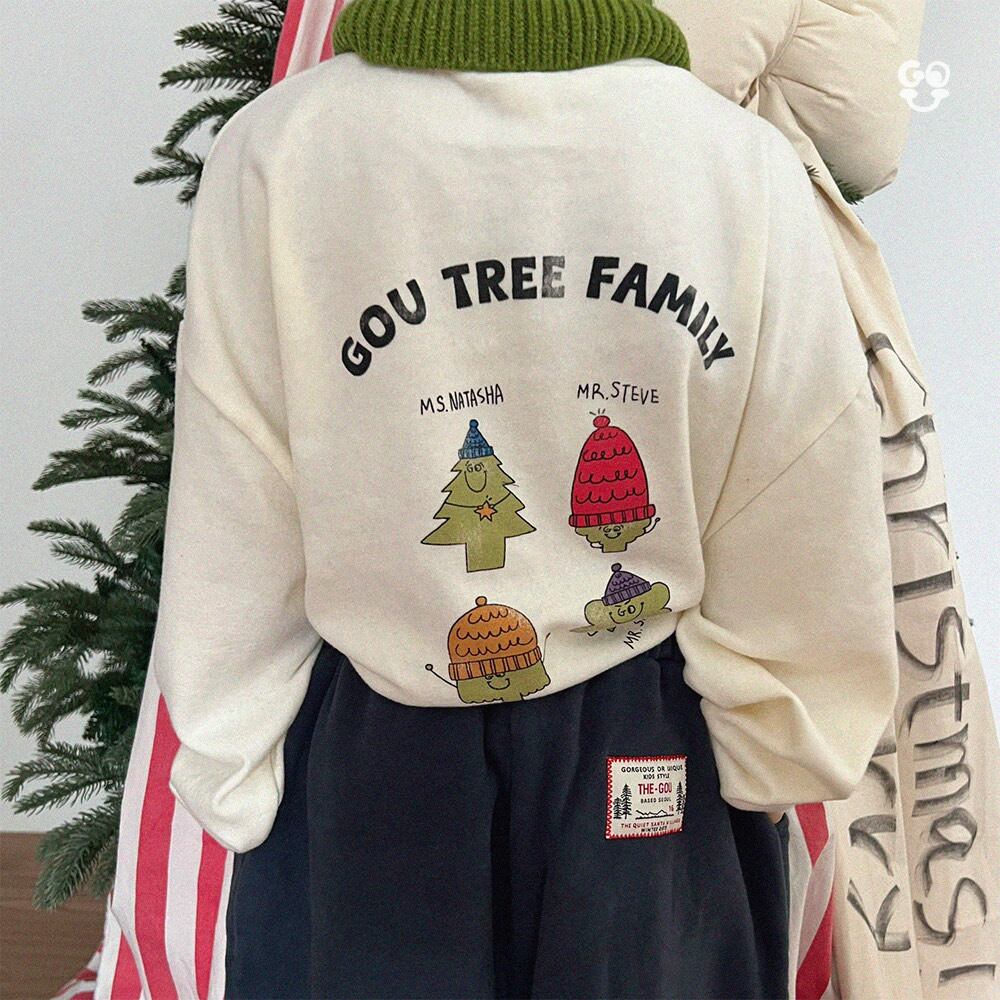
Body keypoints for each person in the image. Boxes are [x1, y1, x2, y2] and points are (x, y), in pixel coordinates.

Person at [153, 1, 898, 996]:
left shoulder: (280, 149)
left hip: (396, 737)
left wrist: (227, 747)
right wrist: (785, 739)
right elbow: (798, 488)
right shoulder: (736, 163)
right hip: (634, 727)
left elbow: (239, 480)